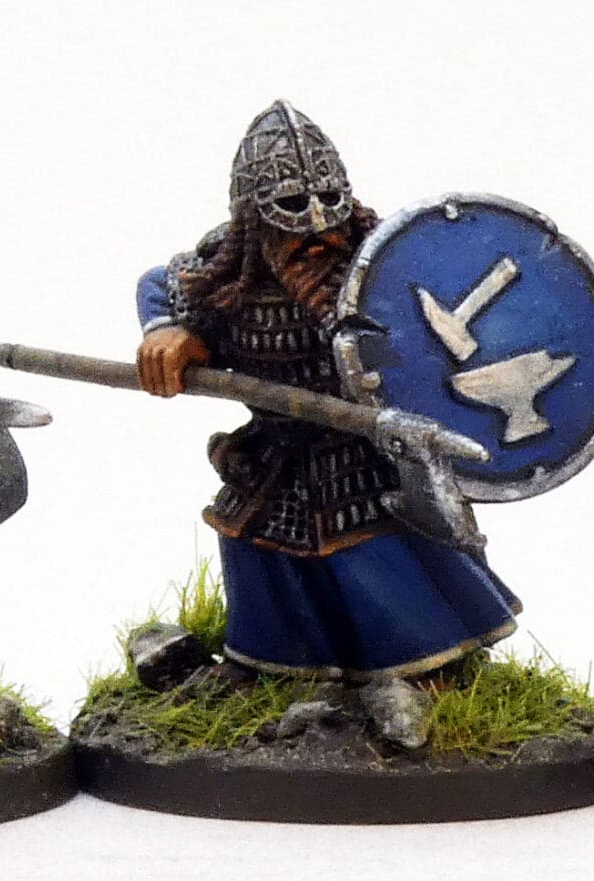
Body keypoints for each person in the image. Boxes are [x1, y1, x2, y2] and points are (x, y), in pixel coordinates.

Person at [132, 101, 521, 692]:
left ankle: (423, 667)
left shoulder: (380, 262)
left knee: (380, 551)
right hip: (275, 448)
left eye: (329, 202)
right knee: (256, 544)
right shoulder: (224, 277)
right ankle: (279, 668)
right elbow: (157, 284)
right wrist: (165, 330)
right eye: (291, 206)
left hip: (368, 450)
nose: (316, 224)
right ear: (253, 218)